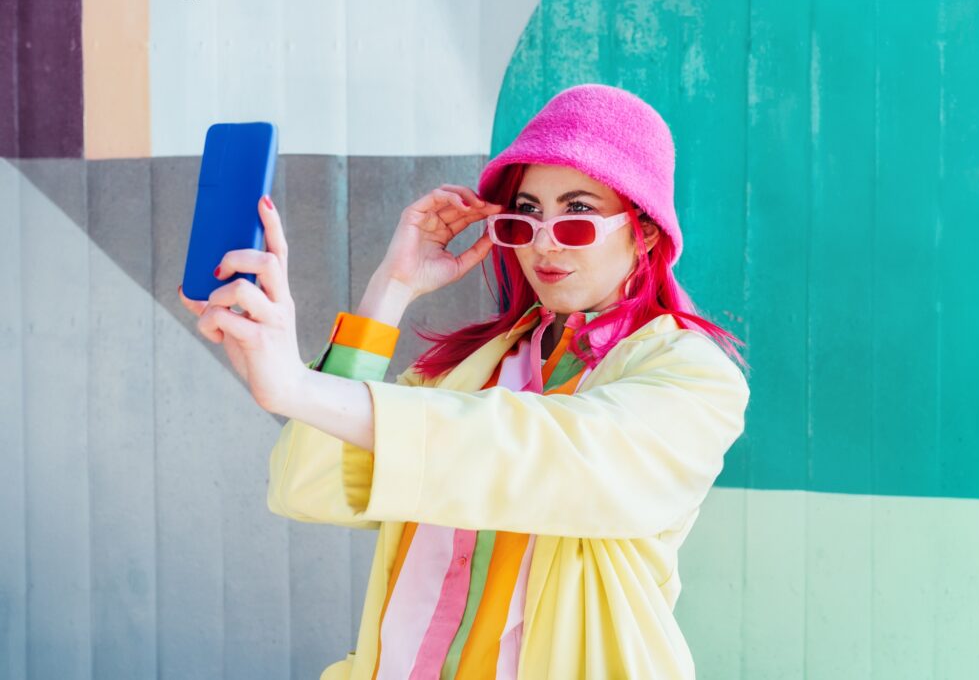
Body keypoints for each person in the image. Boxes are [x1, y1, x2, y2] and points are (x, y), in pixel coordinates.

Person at [180, 83, 750, 680]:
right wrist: (391, 287)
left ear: (647, 232)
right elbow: (310, 486)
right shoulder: (466, 374)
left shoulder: (693, 376)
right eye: (525, 217)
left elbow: (548, 454)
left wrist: (298, 387)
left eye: (578, 216)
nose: (545, 243)